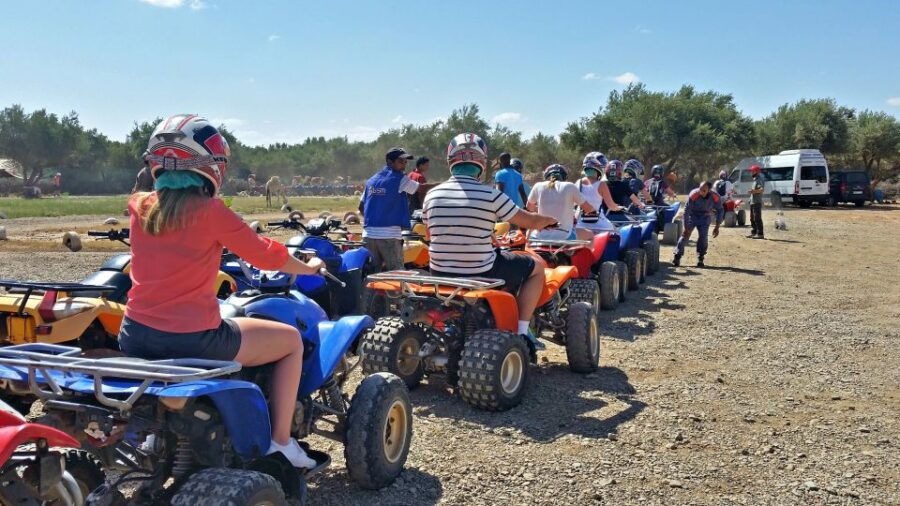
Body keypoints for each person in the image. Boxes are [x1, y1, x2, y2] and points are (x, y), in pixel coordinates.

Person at [119, 115, 324, 469]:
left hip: (134, 335)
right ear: (209, 163)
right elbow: (265, 254)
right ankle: (281, 443)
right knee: (290, 341)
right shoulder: (212, 212)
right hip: (192, 339)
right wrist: (309, 267)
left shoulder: (139, 206)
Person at [423, 133, 557, 352]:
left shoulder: (431, 195)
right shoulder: (490, 195)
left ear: (450, 162)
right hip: (481, 270)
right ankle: (522, 330)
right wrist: (549, 221)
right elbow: (528, 220)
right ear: (481, 163)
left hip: (439, 271)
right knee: (537, 269)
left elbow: (431, 234)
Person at [359, 147, 419, 272]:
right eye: (400, 161)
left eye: (405, 162)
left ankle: (369, 292)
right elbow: (419, 189)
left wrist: (377, 219)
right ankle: (397, 293)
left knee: (371, 274)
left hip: (368, 235)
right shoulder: (399, 178)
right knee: (396, 274)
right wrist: (442, 185)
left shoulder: (371, 181)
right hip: (390, 236)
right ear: (389, 162)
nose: (404, 165)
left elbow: (361, 207)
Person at [527, 164, 595, 241]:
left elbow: (529, 208)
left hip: (540, 235)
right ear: (564, 177)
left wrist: (540, 209)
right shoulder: (570, 186)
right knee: (590, 235)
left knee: (528, 232)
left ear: (546, 176)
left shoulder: (538, 186)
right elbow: (589, 209)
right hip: (564, 236)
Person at [673, 180, 725, 268]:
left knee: (703, 237)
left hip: (705, 217)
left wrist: (717, 226)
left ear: (709, 190)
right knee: (685, 236)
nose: (701, 192)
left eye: (704, 190)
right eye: (700, 189)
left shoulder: (715, 197)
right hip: (692, 216)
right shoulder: (694, 195)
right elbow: (686, 211)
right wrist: (686, 227)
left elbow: (720, 210)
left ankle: (701, 258)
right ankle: (677, 256)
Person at [576, 152, 624, 233]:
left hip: (580, 223)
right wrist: (619, 207)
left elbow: (574, 204)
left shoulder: (578, 182)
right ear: (598, 167)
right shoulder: (601, 184)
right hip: (598, 224)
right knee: (617, 234)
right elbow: (611, 206)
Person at [602, 159, 644, 224]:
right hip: (619, 216)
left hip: (604, 216)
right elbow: (634, 199)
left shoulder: (602, 184)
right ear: (619, 172)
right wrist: (641, 204)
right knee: (636, 225)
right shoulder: (623, 184)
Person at [747, 164, 765, 239]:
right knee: (752, 218)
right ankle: (754, 232)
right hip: (752, 201)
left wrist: (753, 191)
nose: (751, 172)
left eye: (752, 171)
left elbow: (761, 190)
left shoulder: (759, 180)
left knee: (757, 218)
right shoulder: (755, 180)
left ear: (756, 171)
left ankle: (760, 234)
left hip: (757, 202)